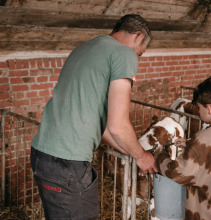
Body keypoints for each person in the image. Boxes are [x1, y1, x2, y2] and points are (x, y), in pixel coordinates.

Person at [30, 14, 158, 219]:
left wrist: (132, 152)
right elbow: (118, 126)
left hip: (42, 156)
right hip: (68, 163)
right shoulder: (123, 54)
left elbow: (105, 127)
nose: (137, 57)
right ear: (138, 36)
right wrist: (143, 156)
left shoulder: (83, 49)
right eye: (140, 53)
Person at [155, 76, 211, 220]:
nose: (198, 111)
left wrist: (159, 155)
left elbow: (175, 171)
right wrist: (190, 145)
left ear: (209, 109)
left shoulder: (203, 139)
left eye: (199, 107)